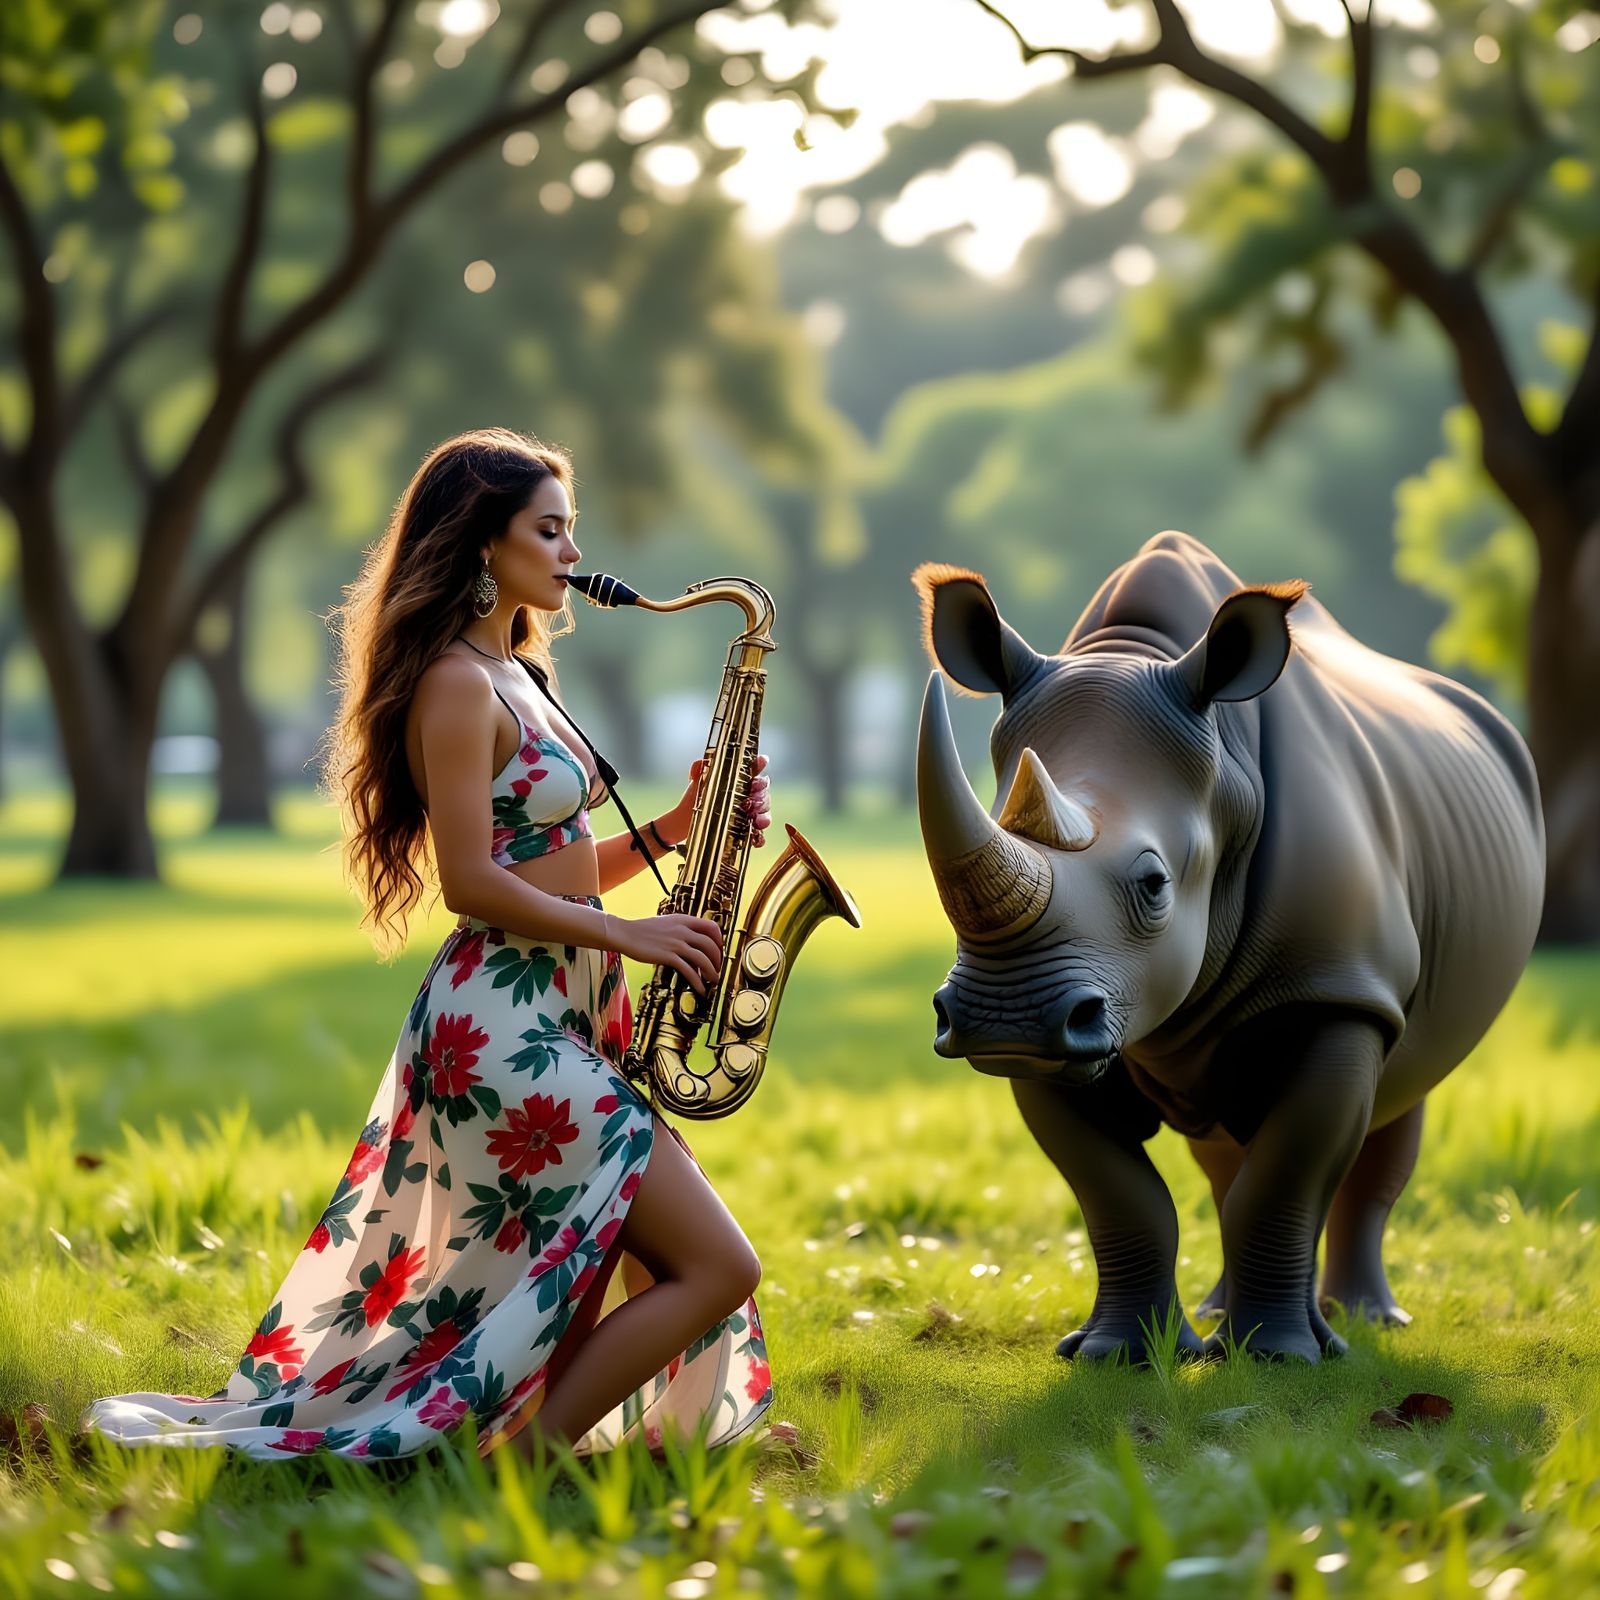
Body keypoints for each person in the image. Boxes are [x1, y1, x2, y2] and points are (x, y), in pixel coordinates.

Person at [80, 429, 774, 1461]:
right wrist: (630, 932)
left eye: (570, 529)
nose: (571, 551)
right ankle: (526, 1463)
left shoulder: (517, 670)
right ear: (483, 543)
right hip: (502, 1022)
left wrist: (679, 828)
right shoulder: (456, 682)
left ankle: (529, 1452)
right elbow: (473, 882)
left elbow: (551, 863)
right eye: (548, 529)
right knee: (717, 1263)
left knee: (609, 1259)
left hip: (564, 1011)